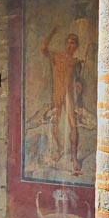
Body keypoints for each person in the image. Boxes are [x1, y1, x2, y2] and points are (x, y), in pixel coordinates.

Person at [41, 27, 84, 176]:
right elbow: (44, 48)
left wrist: (79, 86)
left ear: (76, 46)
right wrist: (52, 32)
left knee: (73, 125)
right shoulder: (58, 56)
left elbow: (77, 80)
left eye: (73, 43)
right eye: (68, 42)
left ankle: (73, 157)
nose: (70, 45)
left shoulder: (76, 62)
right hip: (57, 94)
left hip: (69, 95)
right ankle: (59, 150)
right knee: (55, 123)